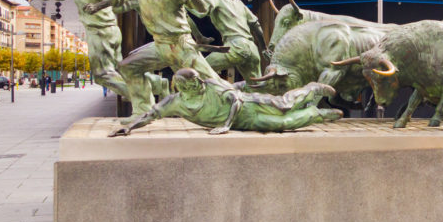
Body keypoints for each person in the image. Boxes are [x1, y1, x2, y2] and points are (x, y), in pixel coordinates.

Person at [89, 0, 222, 117]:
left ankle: (241, 103)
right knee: (128, 67)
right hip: (159, 45)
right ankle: (143, 110)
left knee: (212, 82)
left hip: (180, 45)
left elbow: (202, 9)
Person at [110, 68, 342, 136]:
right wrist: (129, 127)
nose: (196, 85)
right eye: (189, 84)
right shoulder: (176, 102)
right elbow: (152, 114)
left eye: (196, 82)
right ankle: (316, 114)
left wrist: (226, 126)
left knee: (284, 105)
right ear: (181, 87)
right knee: (281, 124)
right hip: (245, 122)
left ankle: (311, 91)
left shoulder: (211, 84)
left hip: (248, 105)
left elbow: (235, 99)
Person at [38, 0, 132, 96]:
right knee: (121, 71)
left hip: (102, 30)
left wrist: (98, 6)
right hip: (98, 30)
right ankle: (154, 85)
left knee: (102, 75)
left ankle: (139, 98)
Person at [190, 0, 266, 81]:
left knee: (197, 71)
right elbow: (256, 25)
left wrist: (185, 5)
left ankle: (221, 94)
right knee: (256, 88)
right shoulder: (238, 2)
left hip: (236, 47)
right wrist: (264, 48)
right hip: (252, 48)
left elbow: (202, 12)